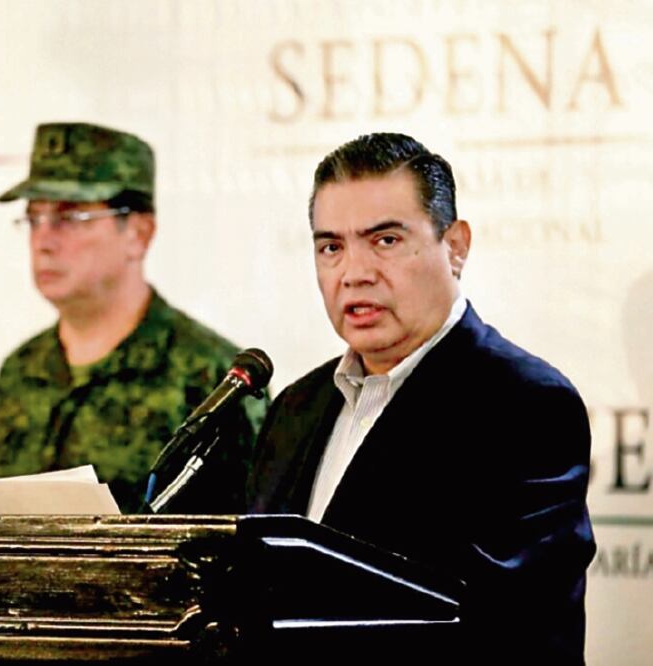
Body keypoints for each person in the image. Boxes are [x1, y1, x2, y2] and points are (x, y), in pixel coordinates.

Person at [247, 133, 595, 662]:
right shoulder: (295, 408)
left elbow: (504, 627)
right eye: (331, 247)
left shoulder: (525, 405)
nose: (354, 273)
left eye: (385, 240)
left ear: (455, 246)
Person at [0, 122, 267, 513]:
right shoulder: (20, 371)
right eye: (34, 218)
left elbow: (246, 543)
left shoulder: (213, 380)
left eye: (70, 217)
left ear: (138, 233)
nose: (44, 240)